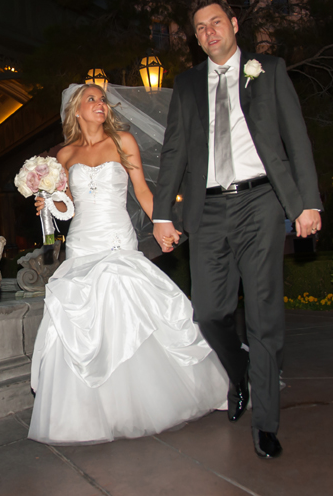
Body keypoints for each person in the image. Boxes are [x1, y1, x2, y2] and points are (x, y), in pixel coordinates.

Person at [153, 0, 322, 459]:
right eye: (200, 28)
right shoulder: (187, 84)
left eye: (215, 23)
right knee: (209, 312)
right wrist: (163, 212)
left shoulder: (268, 69)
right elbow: (173, 153)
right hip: (206, 211)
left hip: (261, 202)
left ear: (233, 24)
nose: (209, 32)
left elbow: (296, 137)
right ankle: (240, 366)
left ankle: (266, 423)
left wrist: (308, 203)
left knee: (264, 314)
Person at [28, 82, 228, 445]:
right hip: (81, 243)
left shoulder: (123, 141)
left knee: (127, 312)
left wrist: (162, 222)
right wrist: (49, 204)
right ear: (76, 110)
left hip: (117, 237)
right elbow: (67, 207)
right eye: (91, 99)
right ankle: (96, 414)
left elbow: (143, 192)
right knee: (85, 321)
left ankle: (153, 401)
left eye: (102, 99)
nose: (100, 104)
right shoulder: (64, 155)